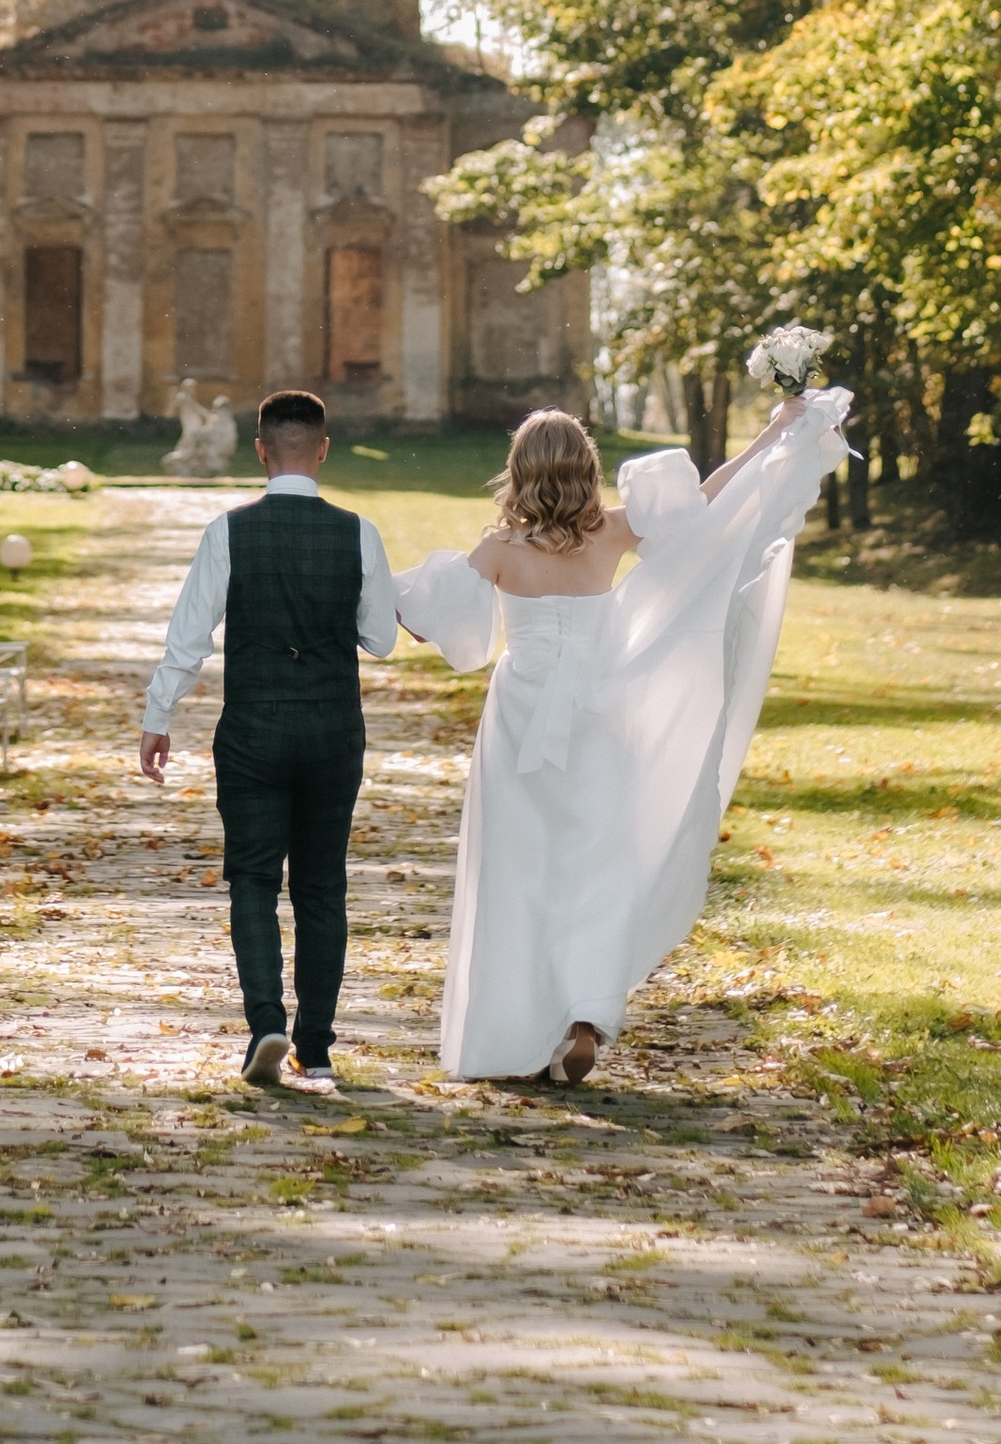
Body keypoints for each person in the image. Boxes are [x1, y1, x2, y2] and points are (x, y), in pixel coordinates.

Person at [393, 390, 848, 1083]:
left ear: (519, 471)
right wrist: (767, 440)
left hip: (521, 724)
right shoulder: (611, 531)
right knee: (597, 867)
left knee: (519, 874)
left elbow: (429, 622)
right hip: (601, 716)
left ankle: (515, 1027)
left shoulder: (499, 549)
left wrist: (394, 602)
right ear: (586, 467)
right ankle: (585, 1012)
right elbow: (704, 507)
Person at [139, 385, 397, 1093]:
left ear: (259, 452)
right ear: (322, 450)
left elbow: (187, 639)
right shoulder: (359, 532)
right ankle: (317, 1049)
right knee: (321, 886)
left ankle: (265, 1026)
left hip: (252, 728)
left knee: (252, 879)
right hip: (332, 729)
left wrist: (158, 716)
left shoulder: (228, 531)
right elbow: (379, 639)